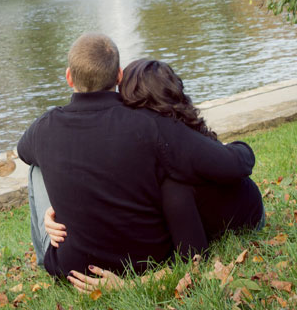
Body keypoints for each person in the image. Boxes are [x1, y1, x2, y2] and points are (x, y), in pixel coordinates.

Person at [17, 33, 263, 285]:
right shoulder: (150, 125)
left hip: (72, 267)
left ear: (69, 77)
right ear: (119, 76)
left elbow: (22, 151)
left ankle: (43, 256)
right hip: (144, 260)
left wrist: (57, 202)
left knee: (36, 166)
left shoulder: (45, 127)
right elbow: (228, 162)